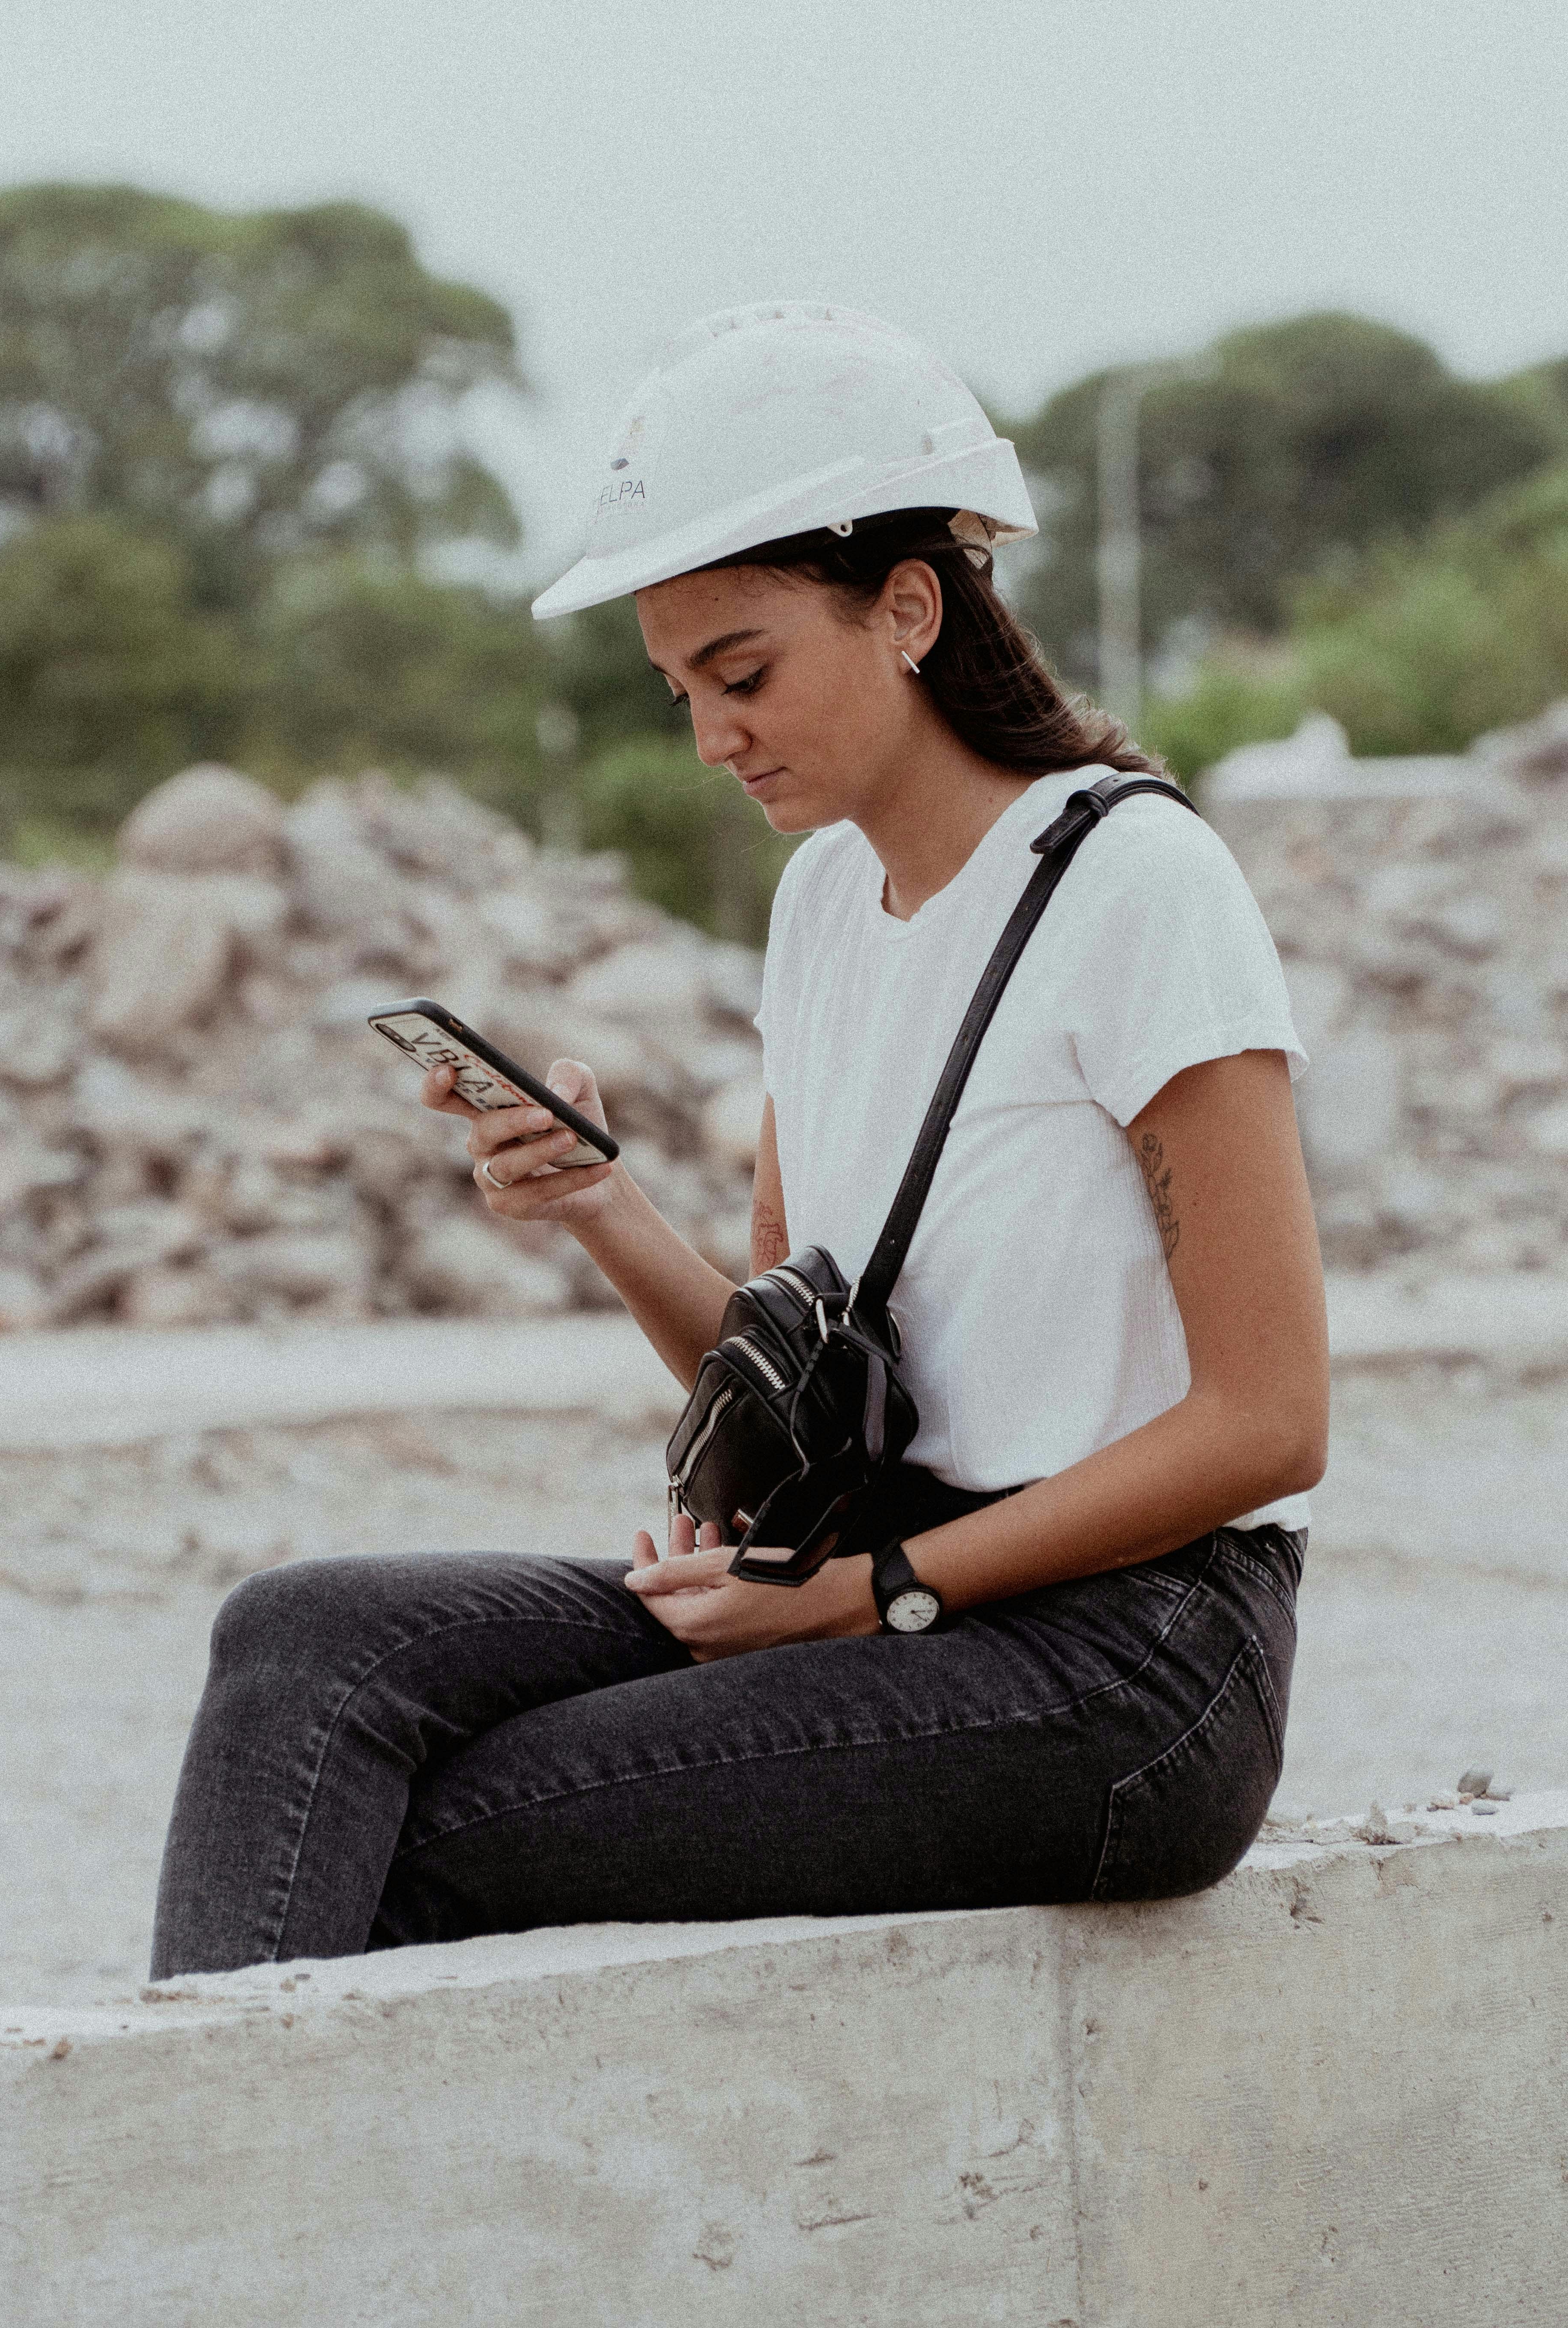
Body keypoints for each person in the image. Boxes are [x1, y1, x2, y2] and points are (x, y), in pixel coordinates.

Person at [151, 305, 1325, 1977]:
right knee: (304, 1646)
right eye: (680, 688)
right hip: (881, 1573)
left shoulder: (1141, 888)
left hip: (1131, 1667)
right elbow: (784, 1388)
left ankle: (216, 2218)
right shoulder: (822, 903)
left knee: (449, 1826)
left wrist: (874, 1596)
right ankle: (215, 2194)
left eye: (745, 672)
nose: (710, 737)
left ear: (907, 607)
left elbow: (1267, 1423)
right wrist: (603, 1211)